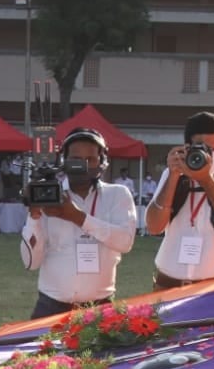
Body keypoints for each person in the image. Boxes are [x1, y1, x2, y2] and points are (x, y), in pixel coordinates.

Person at [19, 127, 136, 319]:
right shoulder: (48, 195)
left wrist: (77, 217)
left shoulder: (117, 194)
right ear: (63, 160)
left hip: (100, 308)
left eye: (90, 159)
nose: (82, 165)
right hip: (51, 307)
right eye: (76, 159)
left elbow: (125, 242)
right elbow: (30, 262)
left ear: (102, 162)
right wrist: (34, 216)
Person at [144, 111, 214, 290]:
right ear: (187, 147)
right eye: (204, 149)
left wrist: (206, 180)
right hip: (168, 284)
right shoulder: (173, 174)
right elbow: (154, 227)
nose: (212, 155)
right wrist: (173, 176)